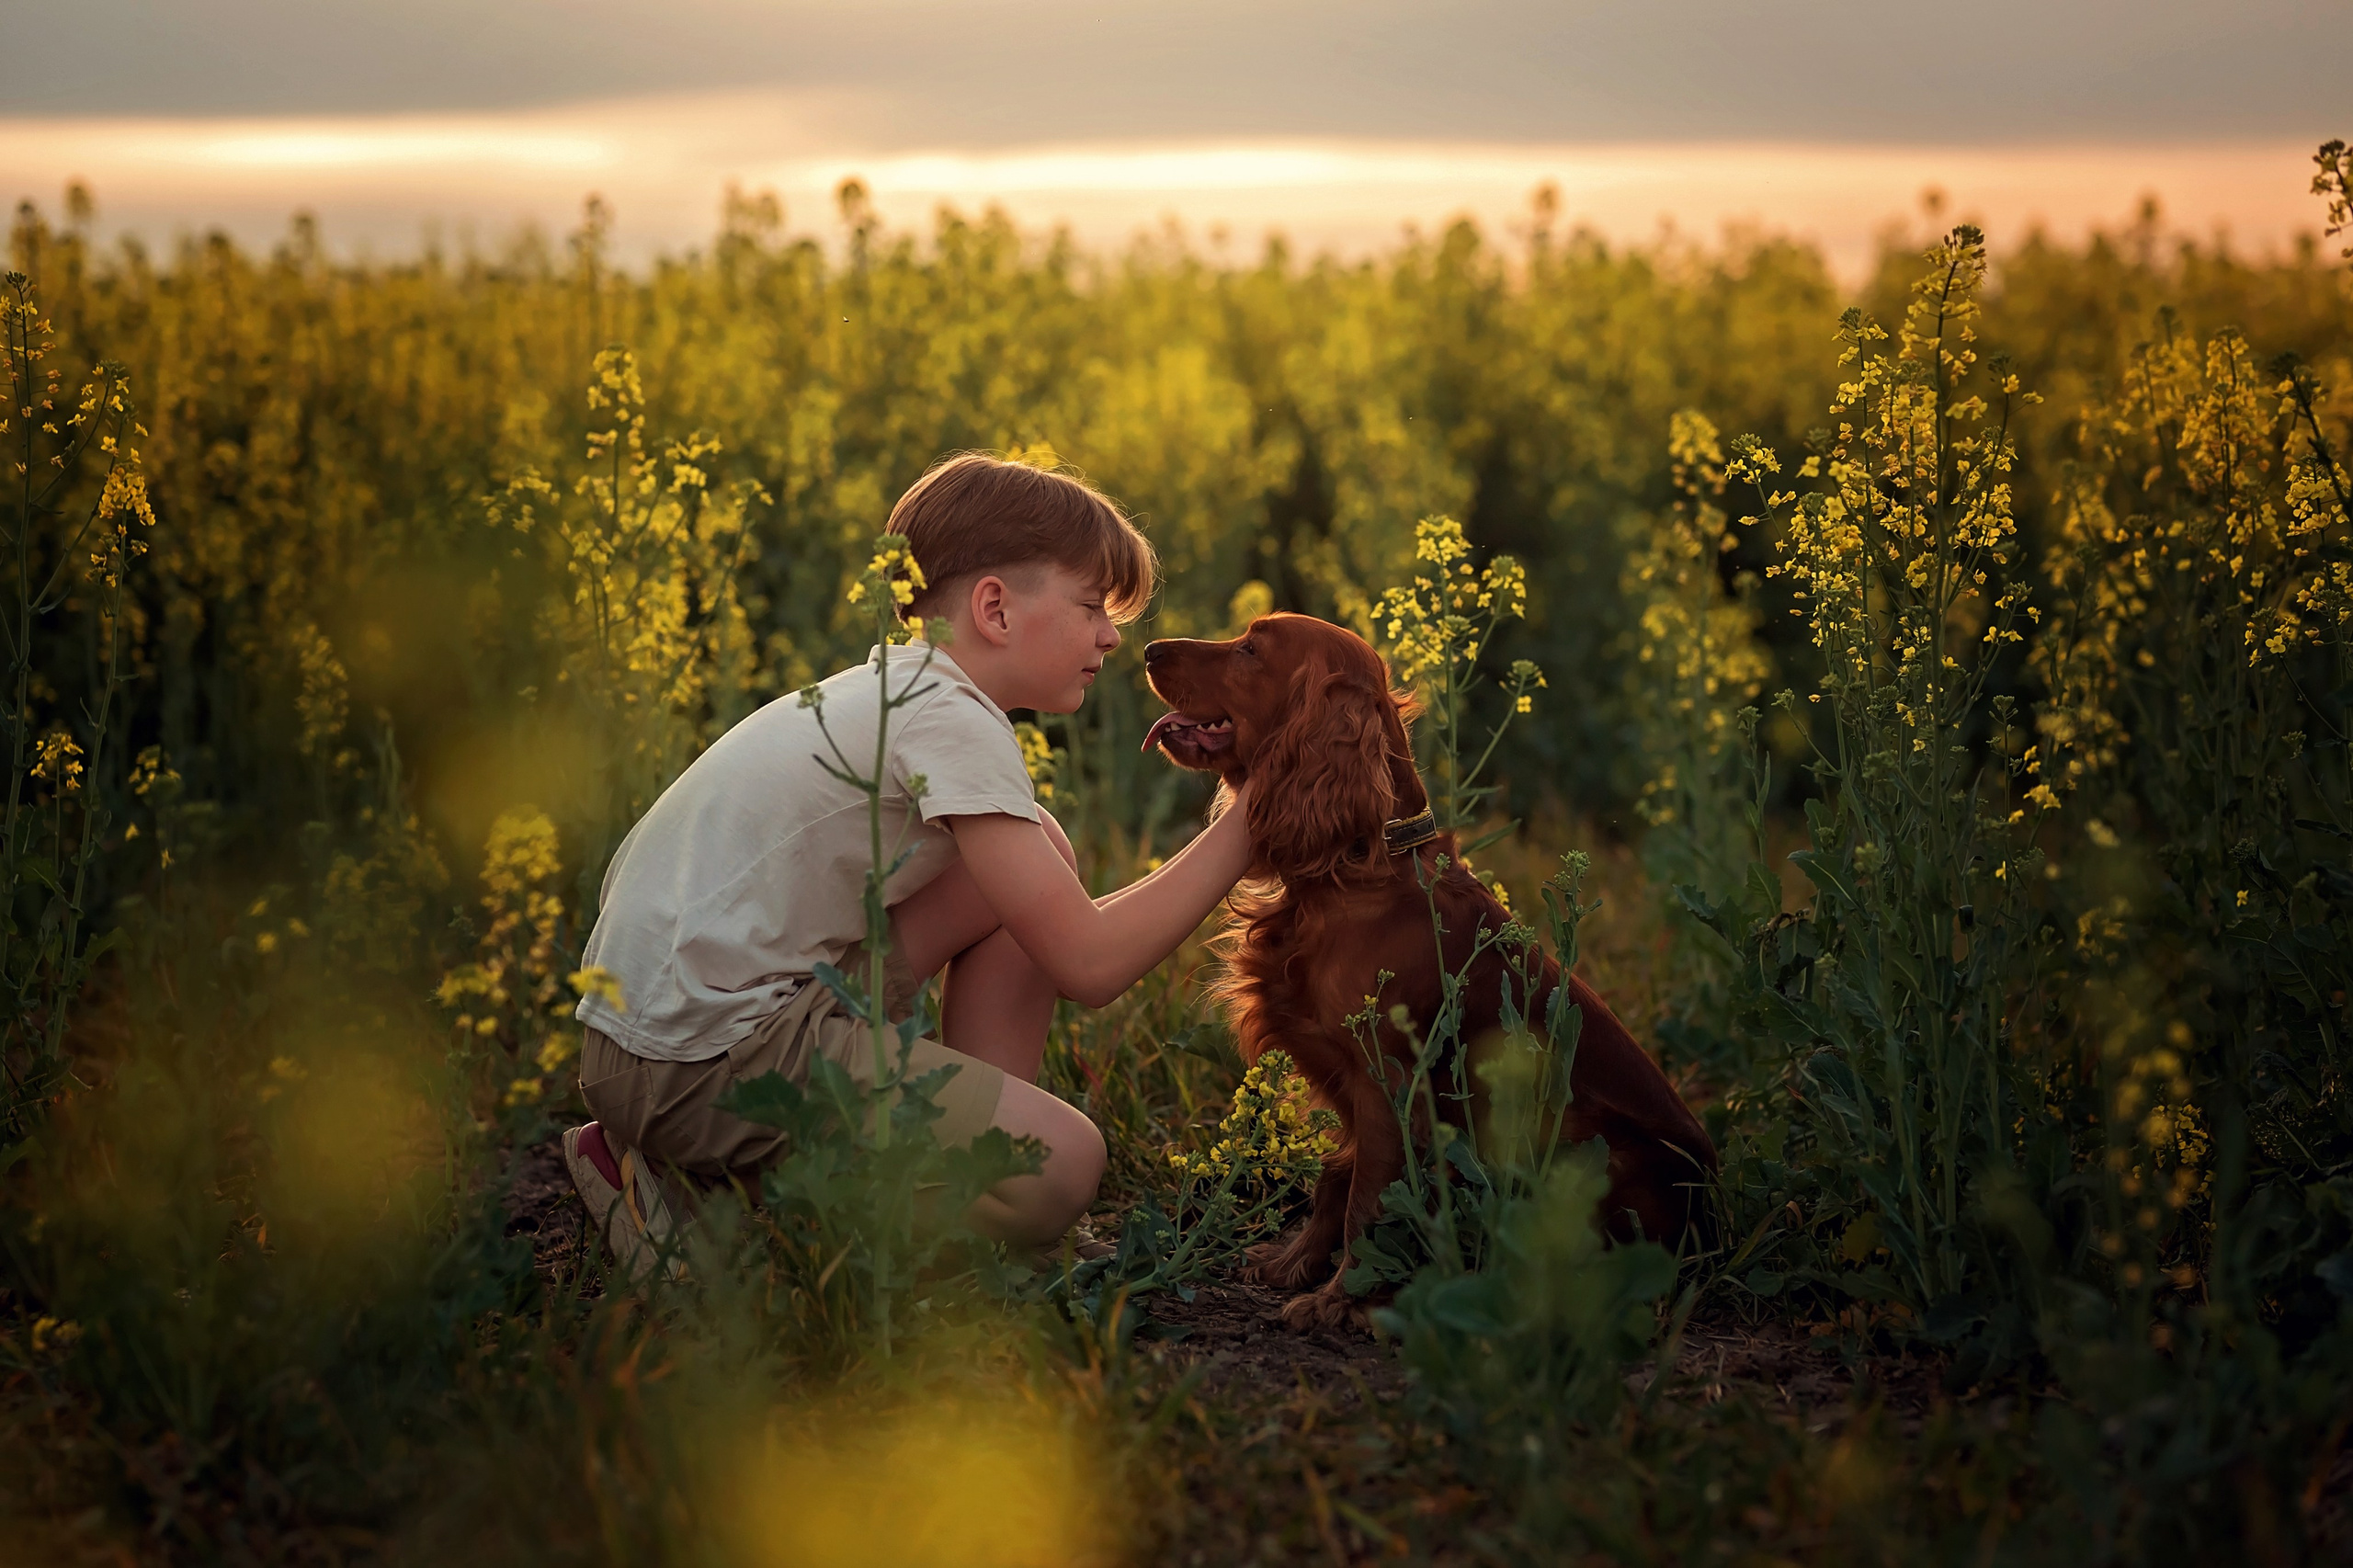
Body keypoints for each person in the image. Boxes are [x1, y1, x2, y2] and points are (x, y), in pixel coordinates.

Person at [560, 452, 1255, 1274]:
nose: (1111, 635)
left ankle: (966, 1170)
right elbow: (1089, 964)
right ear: (994, 608)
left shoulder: (900, 692)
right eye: (1092, 606)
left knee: (1041, 846)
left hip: (654, 1039)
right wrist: (1251, 824)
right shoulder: (950, 721)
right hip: (697, 1064)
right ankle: (706, 1205)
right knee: (1063, 1165)